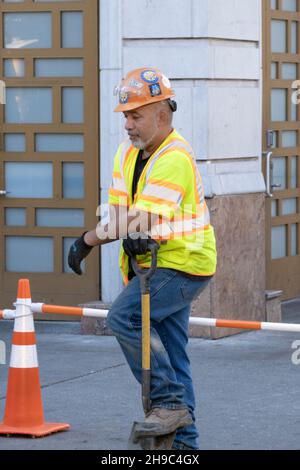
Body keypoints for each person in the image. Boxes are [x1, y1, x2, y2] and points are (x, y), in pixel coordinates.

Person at [68, 67, 217, 450]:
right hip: (155, 266)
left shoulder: (175, 157)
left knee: (123, 318)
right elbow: (121, 216)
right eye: (125, 117)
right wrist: (109, 235)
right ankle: (186, 447)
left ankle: (167, 402)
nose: (128, 125)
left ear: (162, 114)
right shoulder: (127, 154)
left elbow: (144, 219)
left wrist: (88, 240)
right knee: (174, 354)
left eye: (135, 116)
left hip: (184, 265)